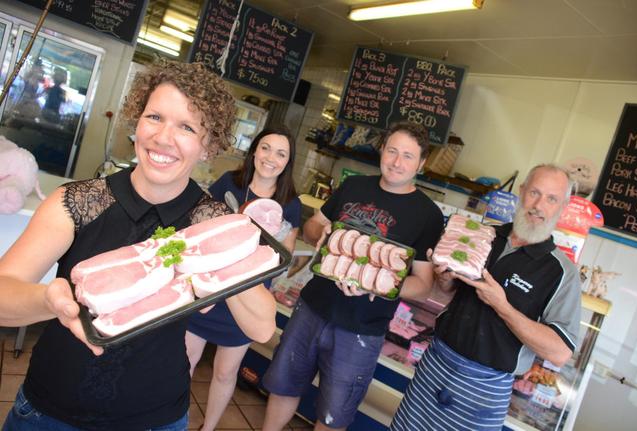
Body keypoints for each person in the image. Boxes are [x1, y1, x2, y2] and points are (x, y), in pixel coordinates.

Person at [0, 60, 276, 431]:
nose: (163, 138)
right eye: (155, 117)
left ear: (208, 146)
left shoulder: (212, 223)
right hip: (48, 413)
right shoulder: (75, 202)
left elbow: (261, 328)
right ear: (137, 121)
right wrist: (48, 301)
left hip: (154, 419)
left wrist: (222, 254)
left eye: (187, 127)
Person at [261, 122, 445, 431]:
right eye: (393, 151)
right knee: (283, 387)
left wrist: (377, 286)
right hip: (313, 307)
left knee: (333, 415)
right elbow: (312, 227)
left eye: (409, 156)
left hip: (362, 330)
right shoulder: (354, 186)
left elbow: (423, 286)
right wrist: (321, 231)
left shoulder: (428, 215)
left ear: (422, 163)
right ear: (382, 150)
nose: (397, 162)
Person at [391, 164, 582, 431]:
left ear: (562, 207)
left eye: (551, 199)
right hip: (435, 363)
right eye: (535, 193)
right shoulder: (482, 235)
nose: (539, 205)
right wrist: (444, 280)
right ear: (522, 191)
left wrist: (502, 306)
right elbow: (443, 293)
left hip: (484, 389)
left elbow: (560, 352)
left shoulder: (562, 273)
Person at [185, 125, 301, 431]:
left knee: (226, 372)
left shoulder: (291, 203)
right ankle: (170, 421)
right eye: (265, 148)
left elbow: (283, 260)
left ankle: (207, 428)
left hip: (248, 296)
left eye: (281, 153)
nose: (271, 158)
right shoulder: (229, 182)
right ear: (254, 151)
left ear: (288, 161)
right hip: (209, 287)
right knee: (183, 361)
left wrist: (274, 240)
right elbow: (200, 224)